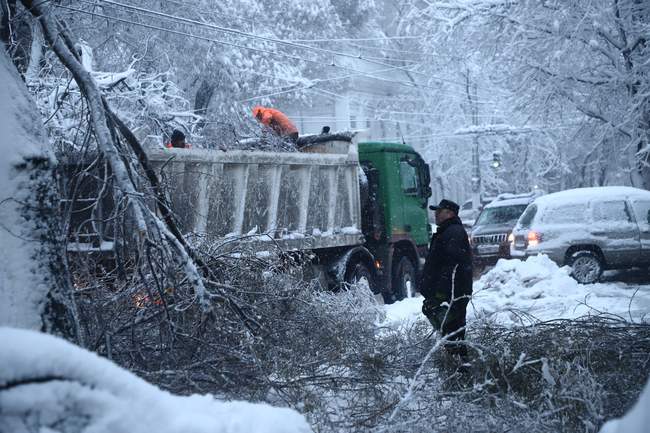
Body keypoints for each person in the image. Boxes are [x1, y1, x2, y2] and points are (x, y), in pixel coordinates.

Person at [419, 199, 473, 353]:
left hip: (452, 296)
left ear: (449, 213)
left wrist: (441, 294)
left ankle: (461, 369)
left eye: (439, 211)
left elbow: (452, 266)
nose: (435, 214)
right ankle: (457, 367)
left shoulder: (453, 232)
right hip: (448, 295)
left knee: (454, 335)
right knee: (450, 336)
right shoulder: (446, 231)